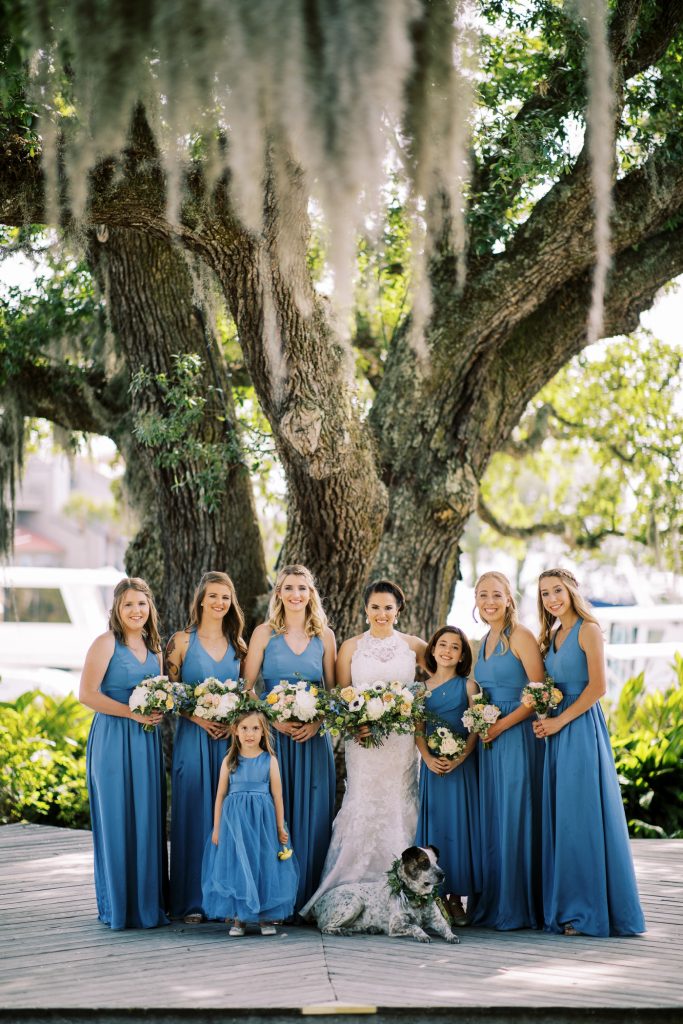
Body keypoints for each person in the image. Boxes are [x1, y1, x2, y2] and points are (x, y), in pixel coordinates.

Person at [301, 579, 426, 918]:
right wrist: (357, 722)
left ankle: (408, 884)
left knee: (400, 803)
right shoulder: (351, 647)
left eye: (388, 607)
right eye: (375, 607)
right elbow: (342, 696)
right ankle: (348, 880)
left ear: (398, 609)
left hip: (401, 744)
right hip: (364, 741)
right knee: (362, 801)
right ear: (365, 609)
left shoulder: (414, 646)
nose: (381, 614)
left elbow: (441, 678)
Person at [534, 568, 646, 936]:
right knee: (561, 818)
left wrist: (559, 720)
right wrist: (543, 713)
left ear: (572, 590)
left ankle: (585, 911)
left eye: (557, 590)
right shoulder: (551, 636)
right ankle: (566, 906)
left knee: (579, 817)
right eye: (545, 593)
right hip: (556, 730)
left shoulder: (588, 630)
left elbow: (598, 687)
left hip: (580, 730)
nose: (552, 598)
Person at [243, 564, 336, 911]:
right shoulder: (264, 634)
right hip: (274, 740)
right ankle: (274, 897)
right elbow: (247, 688)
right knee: (274, 815)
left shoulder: (324, 635)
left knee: (312, 815)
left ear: (311, 594)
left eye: (302, 588)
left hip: (312, 742)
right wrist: (272, 719)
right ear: (278, 593)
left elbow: (333, 691)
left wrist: (317, 723)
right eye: (289, 588)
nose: (296, 595)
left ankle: (307, 898)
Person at [80, 577, 168, 930]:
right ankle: (118, 907)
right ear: (117, 608)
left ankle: (146, 907)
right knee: (117, 817)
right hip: (113, 739)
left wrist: (160, 708)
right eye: (129, 604)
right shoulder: (105, 644)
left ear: (150, 608)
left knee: (146, 818)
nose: (136, 611)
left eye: (142, 604)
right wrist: (131, 712)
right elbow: (87, 695)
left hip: (145, 741)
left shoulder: (155, 649)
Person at [166, 571, 247, 922]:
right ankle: (191, 901)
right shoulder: (181, 641)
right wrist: (197, 717)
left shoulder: (238, 645)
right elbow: (167, 693)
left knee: (228, 817)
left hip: (228, 743)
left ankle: (226, 900)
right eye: (213, 596)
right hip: (192, 737)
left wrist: (232, 722)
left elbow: (245, 693)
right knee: (192, 811)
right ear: (201, 599)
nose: (219, 603)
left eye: (225, 597)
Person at [469, 570, 545, 930]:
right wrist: (479, 721)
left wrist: (502, 724)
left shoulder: (521, 636)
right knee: (495, 816)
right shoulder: (481, 641)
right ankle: (496, 900)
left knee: (516, 813)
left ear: (509, 598)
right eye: (483, 595)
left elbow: (538, 692)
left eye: (496, 595)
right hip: (490, 741)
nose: (489, 602)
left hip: (516, 736)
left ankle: (519, 905)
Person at [201, 709, 299, 934]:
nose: (250, 734)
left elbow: (278, 795)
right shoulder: (230, 760)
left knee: (264, 863)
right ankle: (239, 918)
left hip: (263, 823)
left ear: (264, 733)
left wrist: (279, 826)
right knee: (238, 864)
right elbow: (220, 796)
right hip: (234, 824)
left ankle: (266, 917)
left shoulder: (269, 760)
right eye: (244, 728)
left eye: (255, 728)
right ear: (235, 730)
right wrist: (217, 827)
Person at [415, 626, 481, 926]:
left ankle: (457, 899)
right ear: (433, 649)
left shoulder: (468, 686)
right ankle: (436, 897)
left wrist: (462, 757)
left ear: (462, 655)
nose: (447, 651)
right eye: (442, 644)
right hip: (432, 770)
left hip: (461, 769)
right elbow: (418, 730)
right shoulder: (420, 690)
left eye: (455, 647)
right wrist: (427, 758)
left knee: (460, 829)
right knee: (436, 829)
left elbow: (476, 727)